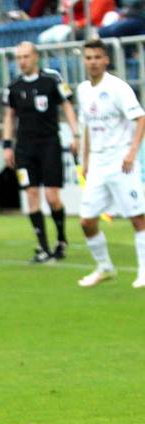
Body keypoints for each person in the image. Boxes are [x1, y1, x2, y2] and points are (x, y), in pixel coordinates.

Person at [74, 39, 145, 288]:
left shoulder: (118, 88)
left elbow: (140, 119)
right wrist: (85, 160)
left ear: (106, 60)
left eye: (97, 57)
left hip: (121, 161)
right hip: (98, 164)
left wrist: (132, 152)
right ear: (84, 61)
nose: (93, 62)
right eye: (89, 58)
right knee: (87, 221)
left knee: (138, 217)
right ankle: (105, 267)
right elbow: (87, 128)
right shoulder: (83, 90)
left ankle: (144, 270)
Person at [3, 41, 79, 262]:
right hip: (25, 148)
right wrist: (7, 146)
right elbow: (9, 116)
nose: (22, 61)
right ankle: (43, 247)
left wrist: (76, 134)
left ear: (35, 56)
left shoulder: (52, 79)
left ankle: (61, 240)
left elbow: (67, 106)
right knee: (32, 194)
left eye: (26, 56)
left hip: (49, 145)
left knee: (52, 196)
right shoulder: (13, 86)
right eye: (18, 58)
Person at [37, 0, 117, 43]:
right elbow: (66, 14)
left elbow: (93, 18)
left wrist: (78, 24)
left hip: (93, 28)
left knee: (61, 36)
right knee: (43, 38)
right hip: (74, 26)